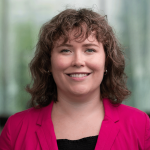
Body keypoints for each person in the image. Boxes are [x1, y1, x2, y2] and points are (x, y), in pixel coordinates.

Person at [0, 8, 150, 150]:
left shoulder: (139, 125)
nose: (78, 61)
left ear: (107, 61)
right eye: (66, 50)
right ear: (48, 63)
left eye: (90, 49)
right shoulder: (15, 128)